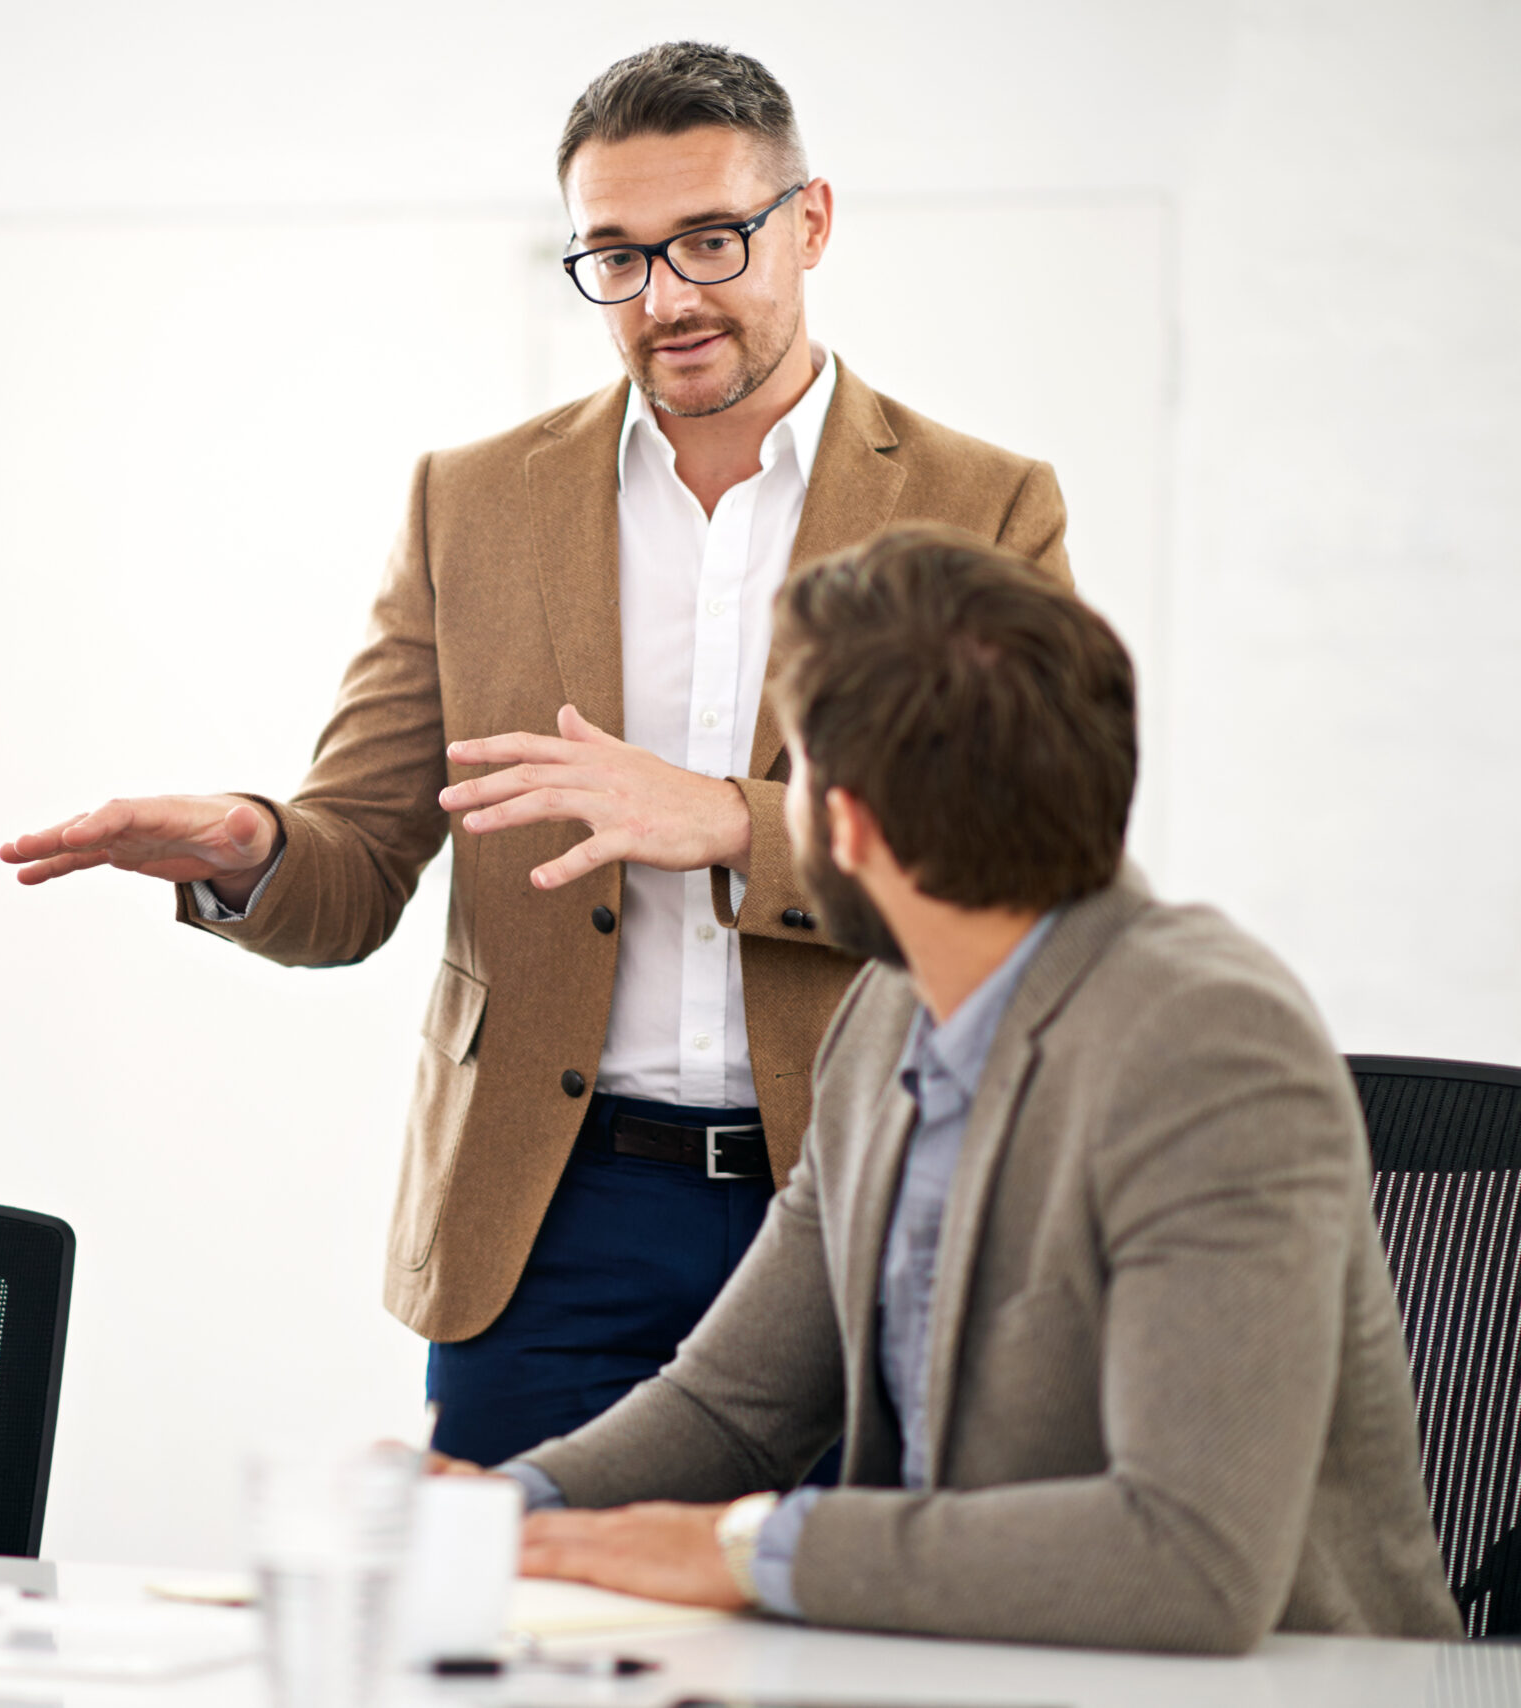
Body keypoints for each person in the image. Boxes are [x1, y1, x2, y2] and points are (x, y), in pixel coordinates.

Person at [0, 42, 1071, 1466]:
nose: (666, 298)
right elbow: (356, 869)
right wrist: (254, 852)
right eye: (615, 256)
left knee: (831, 1600)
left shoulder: (982, 506)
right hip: (550, 1222)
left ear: (809, 223)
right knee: (510, 1602)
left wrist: (730, 823)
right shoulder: (473, 503)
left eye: (711, 239)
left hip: (863, 1191)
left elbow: (1027, 868)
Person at [481, 526, 1461, 1651]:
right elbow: (735, 1408)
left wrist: (746, 1549)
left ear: (848, 825)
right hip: (994, 1664)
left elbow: (1191, 1560)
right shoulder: (888, 1012)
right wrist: (510, 1511)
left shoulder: (1211, 1048)